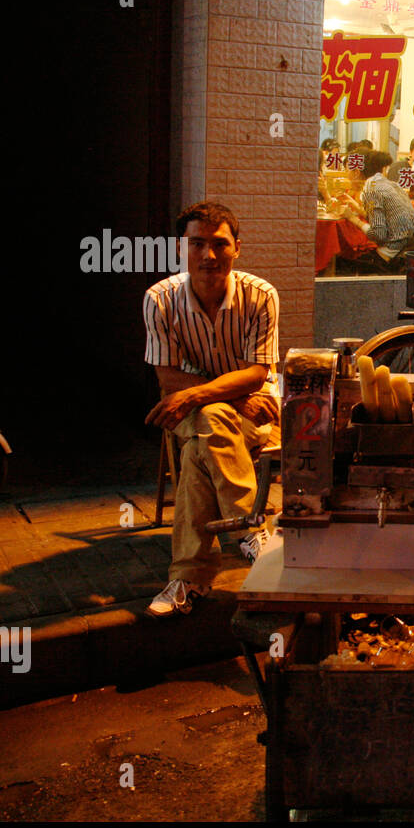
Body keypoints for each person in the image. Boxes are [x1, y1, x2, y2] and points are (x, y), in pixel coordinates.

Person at [142, 202, 280, 618]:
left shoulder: (260, 296)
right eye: (197, 243)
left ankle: (188, 578)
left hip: (256, 413)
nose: (209, 255)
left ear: (237, 248)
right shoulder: (160, 300)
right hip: (219, 407)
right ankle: (250, 527)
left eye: (220, 244)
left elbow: (258, 371)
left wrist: (203, 394)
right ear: (181, 249)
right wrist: (231, 395)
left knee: (198, 449)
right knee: (211, 419)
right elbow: (168, 379)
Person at [335, 150, 414, 273]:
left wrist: (352, 218)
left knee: (338, 260)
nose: (347, 174)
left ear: (357, 172)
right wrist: (359, 209)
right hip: (402, 250)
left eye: (348, 170)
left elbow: (378, 234)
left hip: (387, 258)